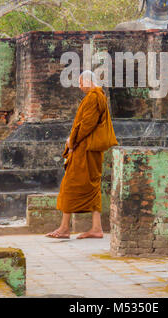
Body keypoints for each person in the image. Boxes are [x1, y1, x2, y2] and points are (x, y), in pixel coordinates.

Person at [46, 70, 117, 239]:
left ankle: (64, 228)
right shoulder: (99, 96)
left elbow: (87, 124)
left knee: (69, 184)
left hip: (84, 148)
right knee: (92, 186)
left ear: (87, 81)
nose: (79, 86)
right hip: (91, 149)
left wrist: (73, 142)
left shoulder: (93, 97)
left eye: (80, 83)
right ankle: (96, 228)